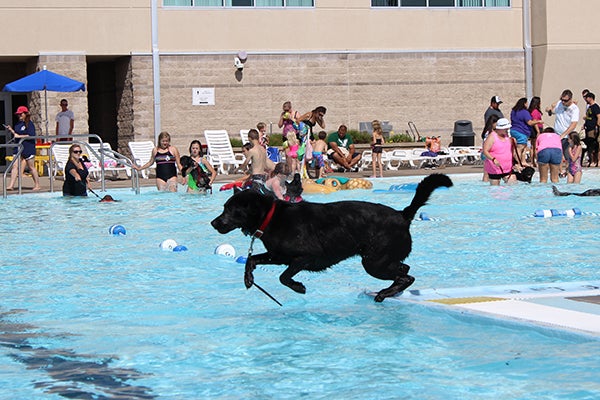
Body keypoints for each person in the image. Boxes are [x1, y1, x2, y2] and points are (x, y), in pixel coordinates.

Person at [6, 106, 41, 191]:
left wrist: (19, 136)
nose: (19, 116)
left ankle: (37, 184)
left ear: (25, 114)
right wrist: (11, 130)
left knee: (31, 167)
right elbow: (16, 134)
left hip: (28, 147)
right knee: (15, 166)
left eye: (20, 114)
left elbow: (30, 135)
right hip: (18, 146)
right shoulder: (18, 124)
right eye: (18, 114)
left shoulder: (30, 124)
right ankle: (11, 185)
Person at [546, 89, 580, 175]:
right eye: (562, 99)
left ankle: (569, 172)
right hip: (557, 134)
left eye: (565, 100)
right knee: (558, 155)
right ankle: (560, 172)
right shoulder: (559, 104)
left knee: (568, 156)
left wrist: (564, 134)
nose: (563, 102)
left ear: (570, 99)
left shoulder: (574, 109)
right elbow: (553, 108)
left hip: (567, 136)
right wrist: (549, 110)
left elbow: (573, 124)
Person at [481, 118, 518, 185]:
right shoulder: (492, 137)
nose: (507, 130)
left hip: (508, 168)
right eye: (505, 129)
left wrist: (517, 163)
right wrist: (493, 159)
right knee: (496, 191)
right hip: (494, 168)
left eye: (508, 128)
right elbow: (485, 151)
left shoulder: (509, 137)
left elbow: (513, 152)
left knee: (513, 186)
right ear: (499, 129)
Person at [510, 97, 541, 165]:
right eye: (527, 103)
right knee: (520, 147)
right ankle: (518, 162)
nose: (527, 104)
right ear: (524, 103)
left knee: (523, 147)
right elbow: (529, 122)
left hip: (513, 130)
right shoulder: (524, 112)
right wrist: (538, 121)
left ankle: (523, 161)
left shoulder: (513, 111)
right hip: (521, 132)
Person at [278, 101, 300, 171]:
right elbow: (280, 125)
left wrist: (292, 119)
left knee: (295, 154)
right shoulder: (283, 114)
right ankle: (289, 169)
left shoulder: (296, 113)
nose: (286, 112)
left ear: (290, 108)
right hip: (285, 136)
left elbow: (300, 124)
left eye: (287, 110)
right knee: (287, 154)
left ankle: (296, 169)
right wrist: (282, 118)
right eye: (285, 110)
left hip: (294, 136)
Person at [581, 92, 600, 167]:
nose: (585, 99)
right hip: (588, 128)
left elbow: (599, 117)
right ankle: (591, 160)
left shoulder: (595, 107)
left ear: (590, 98)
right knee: (589, 145)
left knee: (593, 145)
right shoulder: (589, 107)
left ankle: (595, 161)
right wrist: (584, 124)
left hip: (593, 128)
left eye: (586, 97)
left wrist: (597, 126)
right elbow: (589, 117)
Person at [480, 114, 499, 182]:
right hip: (488, 153)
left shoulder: (486, 131)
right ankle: (486, 185)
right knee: (487, 173)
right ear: (493, 123)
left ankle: (486, 184)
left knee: (487, 172)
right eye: (496, 123)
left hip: (484, 153)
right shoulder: (490, 133)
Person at [528, 96, 544, 167]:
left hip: (536, 129)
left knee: (534, 146)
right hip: (536, 129)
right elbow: (535, 122)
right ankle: (534, 161)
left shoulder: (533, 110)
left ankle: (533, 161)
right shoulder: (535, 111)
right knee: (535, 146)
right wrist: (538, 131)